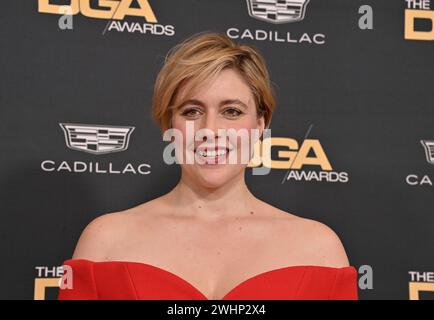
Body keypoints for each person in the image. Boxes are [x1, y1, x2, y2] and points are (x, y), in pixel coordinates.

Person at [58, 31, 358, 300]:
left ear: (260, 124)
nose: (210, 129)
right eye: (192, 111)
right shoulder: (105, 241)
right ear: (169, 125)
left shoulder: (319, 249)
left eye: (231, 111)